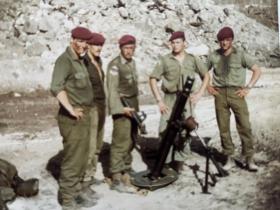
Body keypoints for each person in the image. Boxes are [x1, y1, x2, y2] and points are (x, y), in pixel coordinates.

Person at [50, 26, 97, 210]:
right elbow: (56, 88)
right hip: (72, 119)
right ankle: (67, 202)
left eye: (86, 42)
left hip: (84, 116)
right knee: (73, 159)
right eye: (80, 41)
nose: (83, 45)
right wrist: (70, 109)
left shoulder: (81, 60)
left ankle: (76, 192)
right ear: (72, 40)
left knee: (83, 157)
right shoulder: (64, 60)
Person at [149, 31, 210, 172]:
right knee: (164, 130)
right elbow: (153, 78)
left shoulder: (192, 59)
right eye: (173, 42)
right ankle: (165, 163)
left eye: (178, 42)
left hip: (187, 100)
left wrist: (200, 93)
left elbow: (206, 75)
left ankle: (179, 163)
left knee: (185, 131)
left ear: (184, 43)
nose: (175, 45)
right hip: (169, 99)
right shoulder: (165, 60)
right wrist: (159, 100)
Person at [207, 26, 262, 171]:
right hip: (219, 95)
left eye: (227, 40)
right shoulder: (214, 55)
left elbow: (257, 70)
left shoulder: (241, 54)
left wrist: (248, 87)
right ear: (218, 41)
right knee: (223, 128)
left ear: (232, 40)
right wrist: (208, 86)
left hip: (237, 94)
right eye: (221, 40)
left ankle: (249, 159)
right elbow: (203, 71)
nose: (224, 43)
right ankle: (229, 159)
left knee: (244, 126)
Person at [106, 34, 139, 192]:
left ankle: (126, 167)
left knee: (132, 138)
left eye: (131, 48)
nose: (129, 51)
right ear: (121, 48)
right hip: (122, 107)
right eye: (126, 48)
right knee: (120, 141)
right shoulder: (115, 65)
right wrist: (120, 109)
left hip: (133, 105)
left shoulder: (132, 63)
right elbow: (112, 91)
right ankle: (116, 176)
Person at [82, 33, 107, 186]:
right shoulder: (84, 62)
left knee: (98, 143)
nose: (99, 48)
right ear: (89, 46)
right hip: (91, 107)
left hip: (101, 106)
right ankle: (84, 179)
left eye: (100, 45)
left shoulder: (98, 61)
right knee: (89, 145)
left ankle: (91, 175)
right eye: (96, 45)